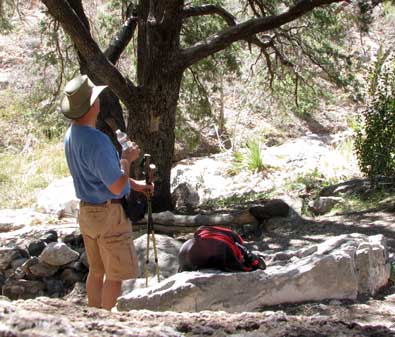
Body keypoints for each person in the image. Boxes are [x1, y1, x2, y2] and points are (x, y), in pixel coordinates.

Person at [61, 74, 153, 310]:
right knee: (115, 275)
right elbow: (115, 186)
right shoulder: (97, 141)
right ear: (93, 105)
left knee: (96, 271)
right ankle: (106, 323)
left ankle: (92, 320)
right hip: (108, 215)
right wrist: (127, 159)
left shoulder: (71, 135)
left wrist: (135, 184)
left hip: (87, 213)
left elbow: (100, 177)